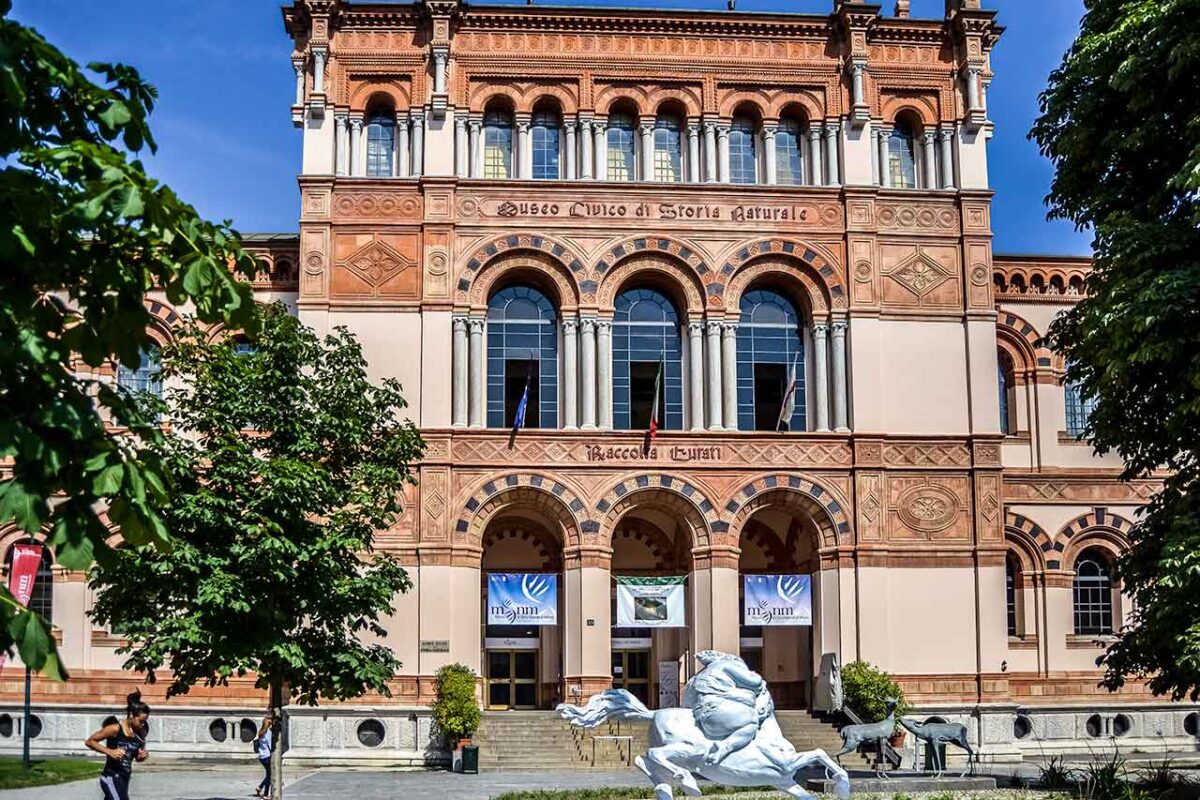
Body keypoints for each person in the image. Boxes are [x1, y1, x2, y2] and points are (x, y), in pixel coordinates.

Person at [683, 650, 789, 770]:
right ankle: (723, 748)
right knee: (751, 722)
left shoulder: (697, 677)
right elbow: (756, 682)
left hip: (697, 713)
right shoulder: (726, 665)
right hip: (717, 710)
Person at [85, 691, 149, 800]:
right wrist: (110, 751)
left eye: (145, 721)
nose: (143, 724)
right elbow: (90, 741)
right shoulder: (115, 729)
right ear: (132, 715)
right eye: (141, 721)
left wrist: (142, 756)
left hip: (124, 778)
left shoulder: (140, 734)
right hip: (111, 777)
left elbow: (138, 757)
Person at [253, 711, 276, 798]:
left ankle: (260, 788)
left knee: (268, 774)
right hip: (267, 756)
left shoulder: (261, 732)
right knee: (270, 776)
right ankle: (265, 794)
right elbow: (271, 745)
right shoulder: (268, 733)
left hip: (262, 756)